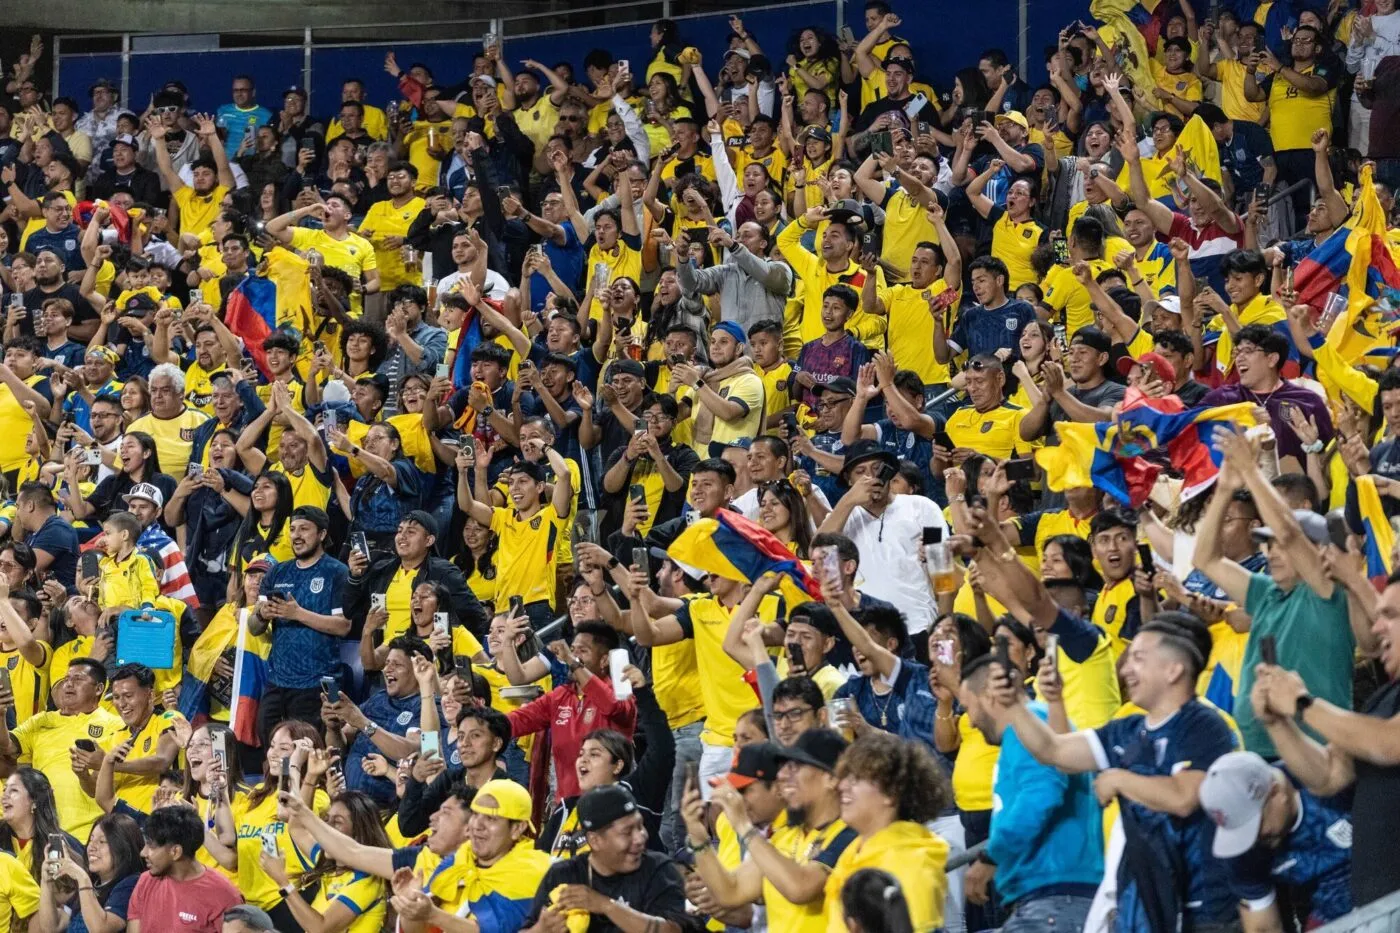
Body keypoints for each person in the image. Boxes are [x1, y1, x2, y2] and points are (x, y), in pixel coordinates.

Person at [1249, 569, 1400, 907]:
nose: (1377, 628)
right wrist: (1278, 723)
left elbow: (1391, 744)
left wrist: (1304, 704)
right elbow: (1328, 776)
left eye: (1390, 615)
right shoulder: (1382, 702)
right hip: (1375, 904)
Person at [958, 655, 1103, 931]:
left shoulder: (1028, 730)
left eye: (968, 708)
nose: (972, 722)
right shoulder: (1036, 726)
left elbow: (1042, 794)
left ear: (990, 696)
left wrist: (992, 856)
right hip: (1054, 897)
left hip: (1055, 896)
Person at [684, 727, 858, 931]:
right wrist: (698, 835)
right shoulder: (785, 835)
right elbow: (731, 891)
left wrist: (744, 826)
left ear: (832, 778)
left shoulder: (850, 835)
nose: (783, 775)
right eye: (786, 767)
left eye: (796, 766)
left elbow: (800, 889)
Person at [1198, 750, 1353, 928]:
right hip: (1328, 917)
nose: (1252, 839)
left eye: (1254, 825)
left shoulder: (1331, 779)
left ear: (1276, 792)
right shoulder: (1241, 848)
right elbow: (1262, 928)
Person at [823, 731, 951, 933]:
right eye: (845, 777)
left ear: (891, 793)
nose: (842, 786)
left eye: (856, 779)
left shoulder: (912, 863)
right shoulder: (853, 854)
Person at [522, 784, 690, 933]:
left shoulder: (659, 869)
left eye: (640, 826)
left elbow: (673, 929)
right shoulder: (563, 875)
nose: (640, 838)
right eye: (627, 832)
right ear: (595, 841)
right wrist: (540, 929)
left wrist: (605, 905)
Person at [818, 441, 945, 634]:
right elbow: (818, 551)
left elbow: (944, 572)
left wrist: (943, 628)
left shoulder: (923, 507)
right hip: (863, 636)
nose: (871, 477)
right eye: (860, 472)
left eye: (877, 469)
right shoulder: (841, 517)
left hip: (920, 628)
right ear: (850, 481)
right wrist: (849, 500)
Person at [503, 621, 638, 803]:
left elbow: (612, 706)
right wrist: (477, 715)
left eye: (582, 651)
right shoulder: (559, 696)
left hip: (611, 808)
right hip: (567, 808)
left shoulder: (621, 692)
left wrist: (571, 661)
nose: (574, 656)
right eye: (572, 650)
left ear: (604, 660)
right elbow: (514, 722)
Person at [249, 505, 350, 738]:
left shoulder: (337, 572)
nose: (296, 535)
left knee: (314, 751)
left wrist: (297, 614)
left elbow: (343, 626)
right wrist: (262, 614)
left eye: (304, 529)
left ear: (322, 534)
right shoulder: (277, 573)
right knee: (272, 749)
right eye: (293, 529)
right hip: (277, 681)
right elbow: (254, 629)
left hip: (320, 683)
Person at [126, 806, 242, 933]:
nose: (143, 853)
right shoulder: (145, 882)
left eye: (151, 846)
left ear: (175, 852)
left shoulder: (225, 896)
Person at [36, 810, 145, 933]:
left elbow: (101, 928)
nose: (92, 847)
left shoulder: (131, 883)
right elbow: (51, 928)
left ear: (123, 849)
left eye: (102, 841)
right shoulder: (92, 883)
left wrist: (83, 879)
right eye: (91, 839)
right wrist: (46, 882)